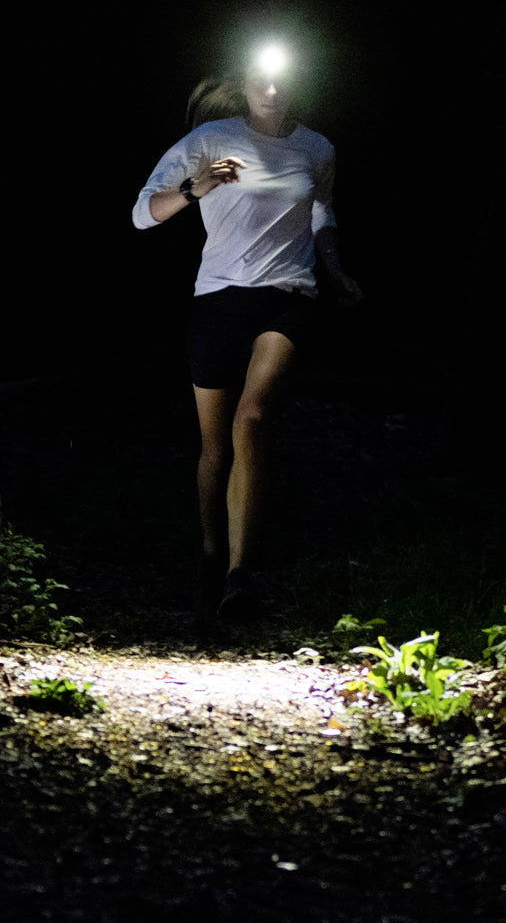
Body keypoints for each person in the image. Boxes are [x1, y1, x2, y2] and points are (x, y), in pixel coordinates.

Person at [132, 44, 362, 626]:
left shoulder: (317, 148)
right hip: (217, 299)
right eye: (262, 81)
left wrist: (334, 269)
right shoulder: (209, 139)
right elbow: (142, 213)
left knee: (253, 418)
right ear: (245, 86)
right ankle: (211, 556)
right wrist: (195, 189)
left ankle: (240, 574)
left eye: (283, 82)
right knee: (215, 449)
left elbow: (321, 211)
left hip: (288, 295)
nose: (273, 92)